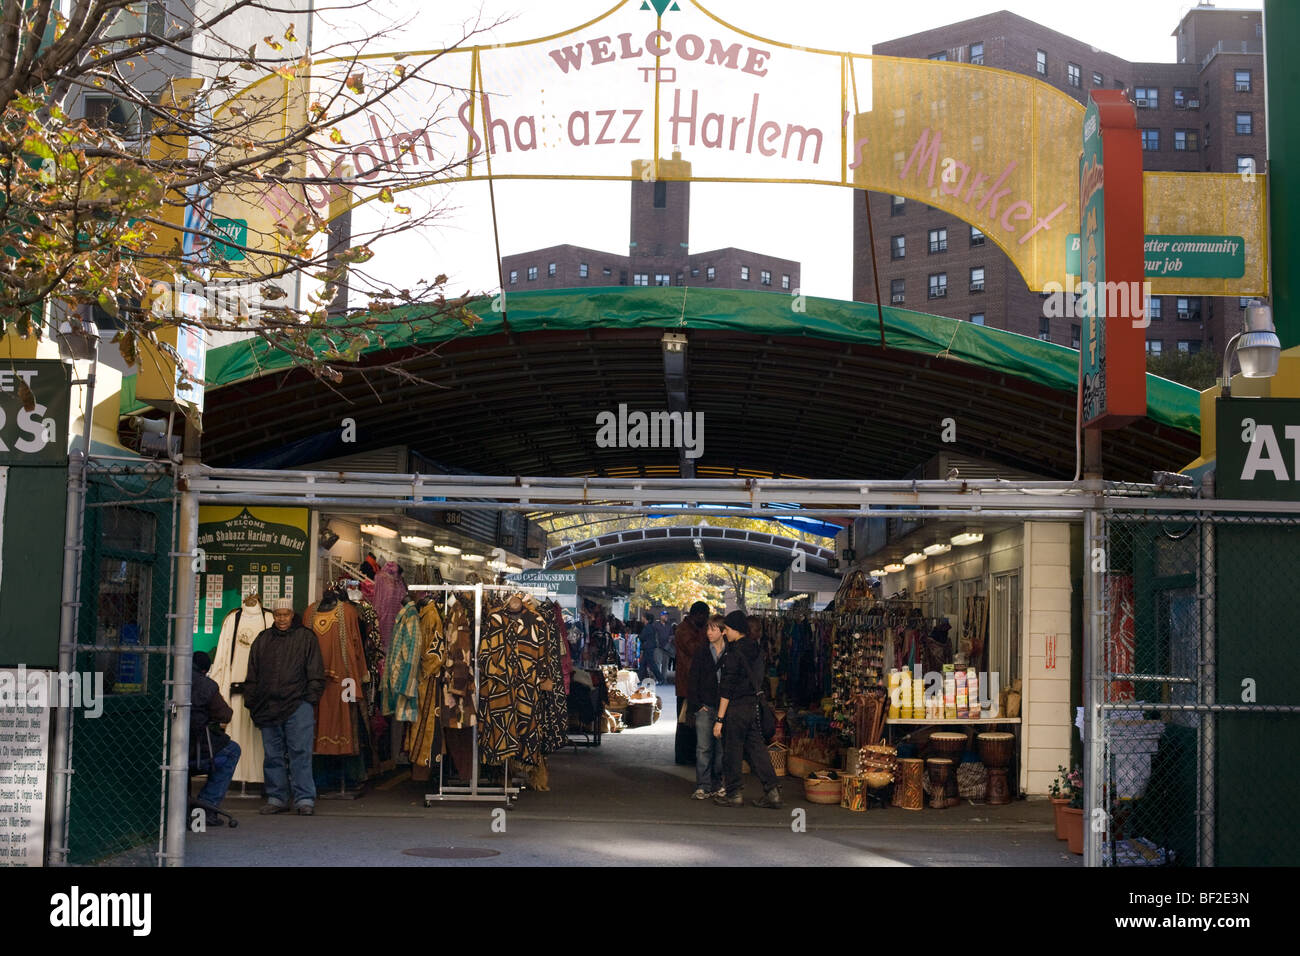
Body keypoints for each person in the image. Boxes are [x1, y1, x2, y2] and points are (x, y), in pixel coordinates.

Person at [243, 597, 325, 815]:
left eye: (285, 614)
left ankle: (304, 798)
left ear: (292, 614)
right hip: (267, 705)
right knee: (273, 755)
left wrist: (309, 700)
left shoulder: (306, 637)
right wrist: (252, 702)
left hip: (298, 704)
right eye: (278, 614)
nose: (281, 618)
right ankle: (277, 797)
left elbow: (316, 672)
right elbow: (253, 673)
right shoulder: (262, 639)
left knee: (300, 752)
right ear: (274, 616)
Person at [712, 610, 781, 809]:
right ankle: (773, 791)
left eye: (727, 629)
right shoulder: (756, 649)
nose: (724, 633)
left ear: (736, 630)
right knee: (756, 750)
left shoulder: (734, 652)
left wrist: (719, 719)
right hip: (752, 706)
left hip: (735, 708)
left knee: (732, 751)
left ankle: (733, 794)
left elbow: (727, 687)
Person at [190, 651, 241, 824]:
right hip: (194, 751)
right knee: (233, 750)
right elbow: (225, 715)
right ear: (205, 670)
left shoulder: (168, 680)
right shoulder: (207, 685)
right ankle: (205, 807)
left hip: (166, 749)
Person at [687, 614, 727, 799]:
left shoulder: (730, 652)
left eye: (713, 629)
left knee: (721, 749)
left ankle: (717, 783)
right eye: (708, 629)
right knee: (703, 748)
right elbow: (693, 679)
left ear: (722, 631)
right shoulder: (702, 652)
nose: (709, 632)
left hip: (724, 707)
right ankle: (703, 785)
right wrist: (697, 705)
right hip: (705, 706)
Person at [673, 602, 710, 765]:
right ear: (698, 615)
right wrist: (705, 634)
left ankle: (690, 755)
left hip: (694, 682)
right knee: (685, 721)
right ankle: (683, 756)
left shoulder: (692, 628)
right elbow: (695, 649)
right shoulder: (684, 630)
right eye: (706, 615)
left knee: (694, 722)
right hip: (686, 684)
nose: (707, 618)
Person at [637, 611, 664, 683]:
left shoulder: (648, 627)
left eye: (643, 617)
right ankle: (639, 679)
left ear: (646, 618)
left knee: (651, 665)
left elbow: (643, 637)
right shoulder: (650, 626)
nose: (642, 618)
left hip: (648, 648)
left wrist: (639, 636)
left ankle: (660, 678)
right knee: (643, 664)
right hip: (649, 647)